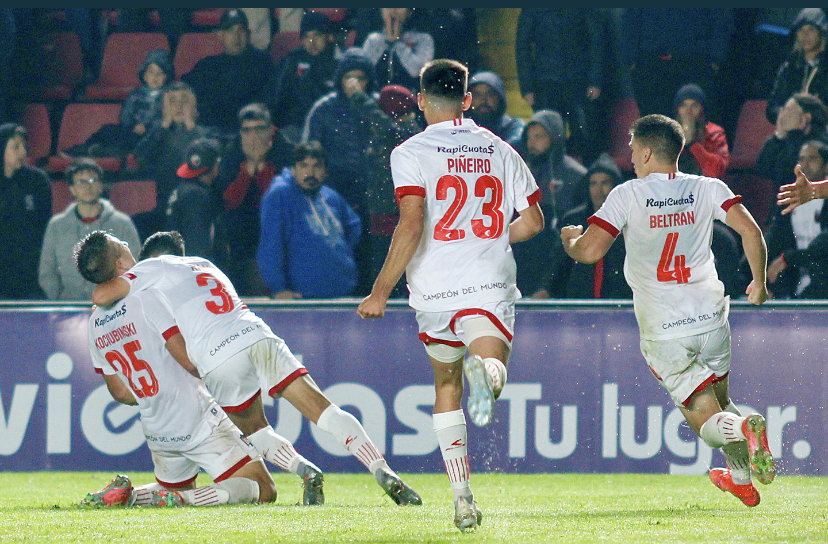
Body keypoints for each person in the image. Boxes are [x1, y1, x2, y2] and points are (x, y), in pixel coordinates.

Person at [86, 233, 421, 508]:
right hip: (257, 333)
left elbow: (103, 294)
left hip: (217, 358)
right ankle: (381, 468)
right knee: (325, 410)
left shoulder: (154, 269)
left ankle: (305, 470)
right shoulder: (204, 264)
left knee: (257, 432)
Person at [357, 59, 545, 532]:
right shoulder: (500, 148)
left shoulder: (410, 152)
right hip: (486, 281)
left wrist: (379, 291)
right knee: (490, 363)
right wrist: (491, 234)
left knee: (446, 387)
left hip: (434, 290)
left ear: (420, 101)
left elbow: (412, 222)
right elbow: (534, 221)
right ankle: (491, 373)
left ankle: (462, 499)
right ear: (467, 100)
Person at [560, 113, 775, 507]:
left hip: (665, 328)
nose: (630, 155)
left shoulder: (627, 195)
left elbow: (590, 252)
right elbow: (751, 231)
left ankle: (747, 427)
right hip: (712, 318)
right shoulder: (707, 187)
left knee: (708, 421)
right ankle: (741, 479)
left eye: (631, 149)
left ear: (644, 152)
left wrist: (570, 241)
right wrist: (759, 284)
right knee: (722, 403)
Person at [77, 231, 276, 508]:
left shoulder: (95, 322)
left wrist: (155, 392)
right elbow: (189, 362)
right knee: (263, 488)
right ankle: (183, 498)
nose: (126, 244)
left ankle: (131, 496)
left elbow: (120, 391)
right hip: (197, 416)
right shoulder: (148, 297)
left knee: (173, 486)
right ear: (120, 263)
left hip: (158, 429)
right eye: (121, 244)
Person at [301, 48, 380, 295]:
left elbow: (388, 137)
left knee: (370, 251)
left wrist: (363, 102)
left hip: (373, 191)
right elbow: (309, 151)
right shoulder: (322, 108)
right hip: (333, 192)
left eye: (361, 78)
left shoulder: (376, 106)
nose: (355, 83)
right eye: (349, 77)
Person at [257, 141, 361, 299]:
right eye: (304, 166)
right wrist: (278, 288)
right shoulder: (280, 195)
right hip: (302, 297)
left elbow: (353, 227)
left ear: (325, 171)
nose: (310, 173)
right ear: (293, 169)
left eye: (317, 166)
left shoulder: (330, 196)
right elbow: (271, 244)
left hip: (341, 293)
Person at [213, 102, 292, 296]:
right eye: (247, 131)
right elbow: (228, 202)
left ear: (271, 130)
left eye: (259, 129)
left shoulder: (287, 151)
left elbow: (282, 201)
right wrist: (247, 172)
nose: (253, 136)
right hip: (242, 232)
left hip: (281, 229)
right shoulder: (231, 152)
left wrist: (263, 169)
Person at [39, 158, 140, 300]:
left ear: (101, 186)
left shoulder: (122, 223)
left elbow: (134, 268)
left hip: (112, 308)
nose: (88, 187)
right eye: (81, 182)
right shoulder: (57, 225)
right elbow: (47, 271)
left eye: (93, 181)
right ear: (72, 189)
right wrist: (57, 301)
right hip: (67, 309)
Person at [515, 8, 606, 164]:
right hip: (545, 83)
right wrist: (528, 87)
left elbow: (596, 41)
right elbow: (522, 46)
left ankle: (588, 177)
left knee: (585, 136)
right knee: (547, 137)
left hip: (579, 81)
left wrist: (595, 81)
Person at [536, 152, 631, 299]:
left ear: (615, 186)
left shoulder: (630, 221)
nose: (599, 190)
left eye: (605, 182)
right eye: (594, 183)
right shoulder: (573, 220)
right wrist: (546, 289)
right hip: (580, 305)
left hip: (619, 304)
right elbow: (559, 264)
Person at [132, 81, 216, 240]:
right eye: (173, 101)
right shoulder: (159, 133)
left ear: (193, 106)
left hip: (198, 207)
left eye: (184, 101)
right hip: (165, 207)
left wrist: (191, 127)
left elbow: (210, 162)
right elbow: (141, 157)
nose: (178, 106)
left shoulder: (206, 134)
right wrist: (163, 125)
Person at [365, 85, 424, 299]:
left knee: (397, 270)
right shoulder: (395, 132)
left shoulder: (407, 133)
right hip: (382, 214)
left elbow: (384, 127)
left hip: (398, 216)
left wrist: (359, 97)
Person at [64, 49, 174, 159]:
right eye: (151, 72)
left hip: (151, 136)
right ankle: (88, 147)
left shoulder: (168, 96)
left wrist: (147, 127)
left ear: (166, 77)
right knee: (108, 129)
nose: (155, 77)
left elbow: (164, 118)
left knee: (132, 142)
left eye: (160, 74)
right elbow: (125, 114)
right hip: (132, 130)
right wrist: (132, 126)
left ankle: (108, 152)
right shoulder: (135, 95)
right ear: (144, 75)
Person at [181, 9, 275, 136]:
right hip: (210, 132)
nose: (236, 36)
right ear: (220, 35)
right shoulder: (207, 65)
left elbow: (269, 102)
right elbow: (183, 88)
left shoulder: (263, 63)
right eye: (230, 31)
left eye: (240, 30)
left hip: (248, 132)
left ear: (248, 33)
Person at [258, 10, 336, 143]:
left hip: (328, 129)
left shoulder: (339, 61)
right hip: (295, 126)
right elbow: (275, 96)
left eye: (317, 35)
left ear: (328, 36)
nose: (312, 42)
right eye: (307, 37)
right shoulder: (292, 60)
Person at [765, 140, 828, 299]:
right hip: (793, 277)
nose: (805, 164)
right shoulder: (789, 197)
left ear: (826, 165)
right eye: (801, 159)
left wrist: (788, 258)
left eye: (812, 159)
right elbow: (776, 238)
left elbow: (821, 248)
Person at [0, 123, 51, 299]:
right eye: (15, 147)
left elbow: (44, 226)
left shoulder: (37, 181)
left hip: (29, 266)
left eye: (24, 146)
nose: (22, 152)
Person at [516, 109, 588, 230]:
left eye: (538, 137)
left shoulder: (576, 174)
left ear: (554, 137)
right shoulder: (520, 173)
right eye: (529, 137)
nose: (531, 143)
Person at [755, 93, 828, 195]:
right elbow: (762, 171)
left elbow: (787, 176)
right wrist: (779, 135)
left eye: (789, 111)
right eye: (783, 110)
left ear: (806, 117)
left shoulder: (820, 144)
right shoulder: (786, 140)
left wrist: (795, 134)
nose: (782, 114)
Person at [766, 8, 828, 125]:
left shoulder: (825, 69)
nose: (805, 35)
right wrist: (789, 114)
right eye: (801, 30)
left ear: (821, 33)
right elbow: (772, 108)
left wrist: (813, 114)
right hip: (790, 129)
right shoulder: (789, 67)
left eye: (811, 29)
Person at [166, 138, 224, 260]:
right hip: (191, 271)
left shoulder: (182, 189)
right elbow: (196, 245)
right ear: (215, 166)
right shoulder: (196, 196)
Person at [360, 8, 434, 93]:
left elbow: (416, 71)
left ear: (409, 12)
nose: (393, 10)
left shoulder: (423, 39)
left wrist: (398, 43)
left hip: (411, 96)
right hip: (377, 95)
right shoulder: (373, 39)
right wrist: (385, 42)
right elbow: (365, 70)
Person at [673, 83, 731, 179]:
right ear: (677, 109)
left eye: (694, 106)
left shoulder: (714, 133)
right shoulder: (668, 132)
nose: (688, 111)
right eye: (684, 106)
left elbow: (718, 171)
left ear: (702, 109)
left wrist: (693, 144)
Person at [467, 71, 525, 149]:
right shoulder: (461, 128)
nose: (483, 100)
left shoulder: (513, 126)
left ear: (499, 98)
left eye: (490, 94)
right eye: (477, 95)